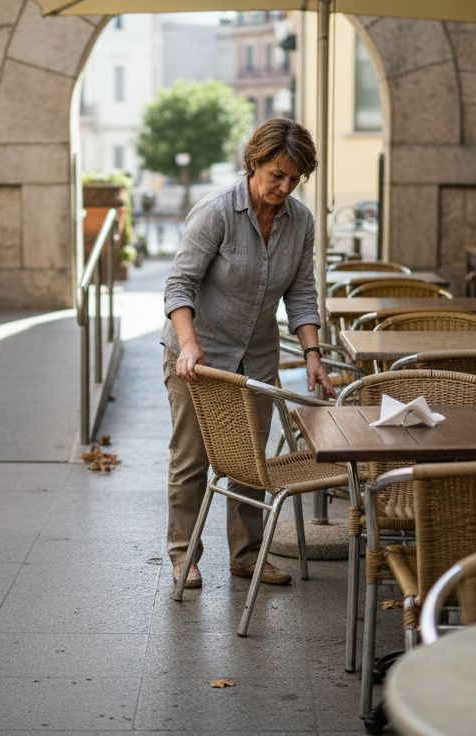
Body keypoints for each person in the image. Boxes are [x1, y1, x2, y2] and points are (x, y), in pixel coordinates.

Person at [162, 118, 334, 590]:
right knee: (192, 461)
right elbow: (180, 285)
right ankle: (184, 556)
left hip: (255, 357)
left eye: (294, 179)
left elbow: (301, 291)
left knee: (249, 463)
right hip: (196, 360)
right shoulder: (216, 213)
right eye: (276, 174)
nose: (284, 186)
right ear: (254, 163)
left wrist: (313, 353)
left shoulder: (300, 222)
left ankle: (247, 555)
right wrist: (190, 343)